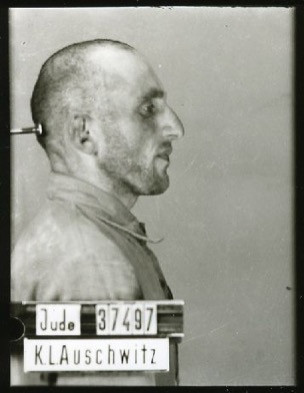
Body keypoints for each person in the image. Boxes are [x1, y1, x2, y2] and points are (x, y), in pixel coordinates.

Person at [10, 39, 185, 386]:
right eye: (148, 109)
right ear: (84, 133)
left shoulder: (70, 237)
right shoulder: (92, 263)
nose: (176, 128)